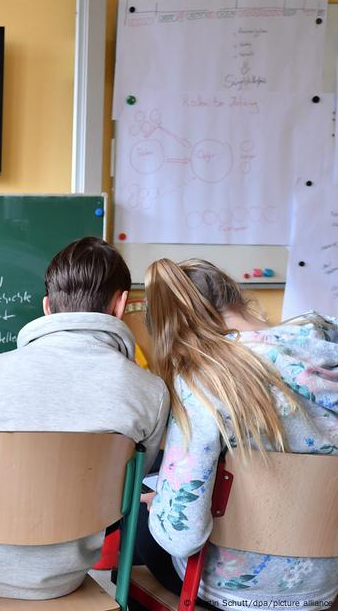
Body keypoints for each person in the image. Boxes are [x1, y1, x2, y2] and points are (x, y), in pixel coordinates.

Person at [0, 236, 169, 599]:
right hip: (63, 578)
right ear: (121, 304)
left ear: (47, 307)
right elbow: (127, 490)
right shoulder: (149, 390)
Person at [140, 259, 338, 608]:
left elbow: (183, 537)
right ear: (237, 294)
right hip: (324, 584)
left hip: (235, 590)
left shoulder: (207, 382)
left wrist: (163, 507)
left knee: (143, 526)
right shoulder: (326, 353)